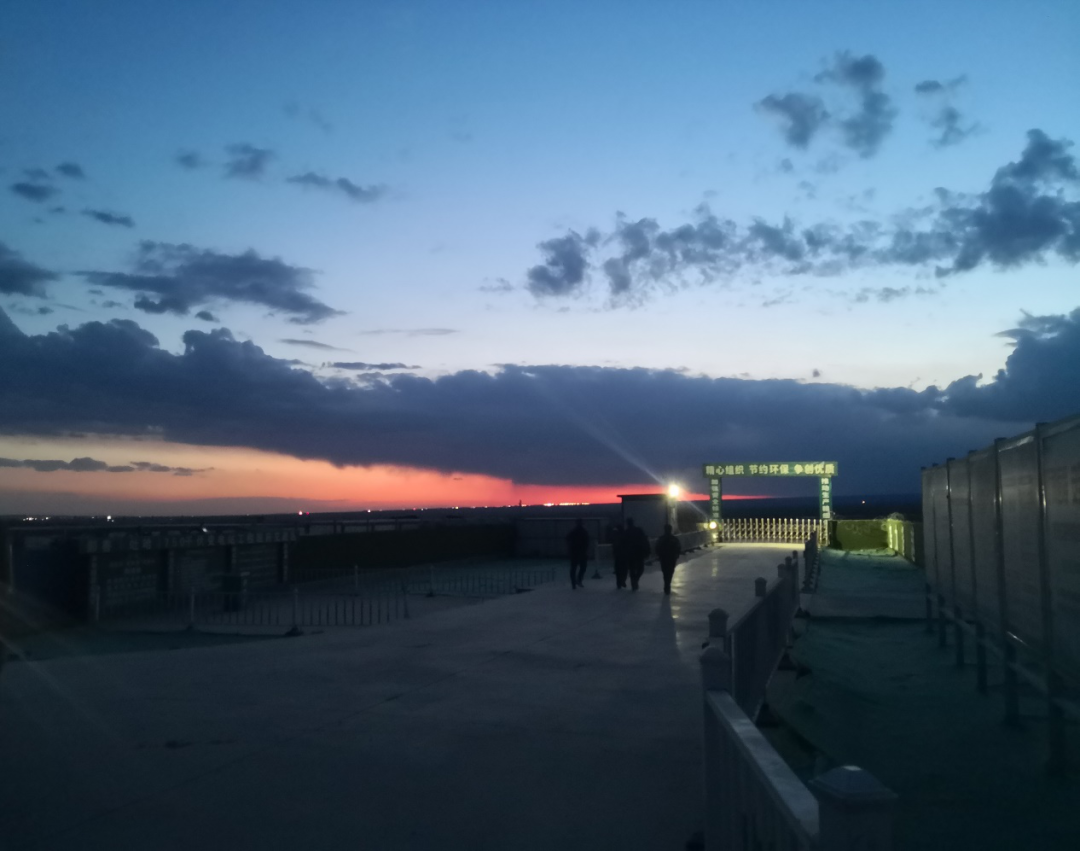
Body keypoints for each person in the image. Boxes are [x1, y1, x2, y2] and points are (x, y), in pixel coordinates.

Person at [655, 523, 682, 595]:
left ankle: (666, 584)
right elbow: (678, 547)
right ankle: (668, 584)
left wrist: (659, 555)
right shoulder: (674, 539)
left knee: (665, 572)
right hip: (672, 558)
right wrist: (677, 555)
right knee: (670, 571)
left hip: (664, 558)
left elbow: (657, 548)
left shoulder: (661, 539)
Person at [624, 518, 650, 591]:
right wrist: (647, 550)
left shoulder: (626, 532)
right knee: (640, 568)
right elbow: (644, 540)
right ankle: (635, 580)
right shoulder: (638, 530)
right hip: (639, 552)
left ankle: (634, 582)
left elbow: (623, 544)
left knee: (632, 569)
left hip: (631, 553)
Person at [566, 519, 590, 589]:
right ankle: (578, 580)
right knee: (583, 567)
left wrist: (569, 547)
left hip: (575, 552)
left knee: (574, 568)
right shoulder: (584, 532)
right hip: (581, 552)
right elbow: (587, 542)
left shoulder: (574, 531)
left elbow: (567, 538)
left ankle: (574, 583)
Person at [610, 521, 628, 589]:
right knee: (624, 569)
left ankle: (619, 583)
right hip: (624, 555)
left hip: (617, 555)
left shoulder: (615, 536)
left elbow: (614, 544)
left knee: (618, 570)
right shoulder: (625, 535)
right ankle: (623, 580)